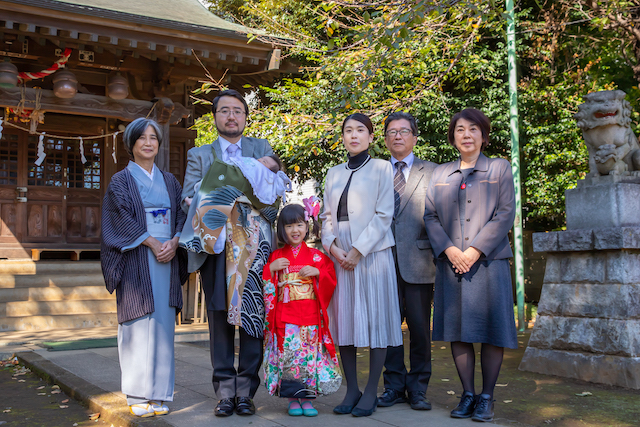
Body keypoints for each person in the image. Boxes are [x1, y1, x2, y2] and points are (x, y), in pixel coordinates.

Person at [181, 89, 274, 417]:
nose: (231, 116)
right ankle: (224, 391)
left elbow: (272, 191)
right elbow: (186, 195)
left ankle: (246, 390)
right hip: (215, 244)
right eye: (224, 111)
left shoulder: (261, 149)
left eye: (237, 110)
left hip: (253, 246)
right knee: (219, 317)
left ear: (245, 117)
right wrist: (201, 200)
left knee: (251, 316)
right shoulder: (199, 154)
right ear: (216, 117)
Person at [423, 108, 517, 422]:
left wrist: (474, 250)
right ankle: (467, 394)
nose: (466, 134)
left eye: (473, 129)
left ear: (483, 135)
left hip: (489, 263)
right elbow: (430, 216)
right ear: (452, 137)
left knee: (492, 332)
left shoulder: (500, 168)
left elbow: (505, 214)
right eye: (460, 129)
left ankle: (487, 397)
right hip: (451, 266)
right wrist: (450, 250)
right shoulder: (439, 174)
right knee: (459, 332)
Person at [101, 117, 187, 418]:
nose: (148, 142)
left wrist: (175, 241)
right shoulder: (120, 181)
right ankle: (137, 393)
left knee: (162, 325)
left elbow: (181, 215)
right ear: (131, 144)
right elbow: (119, 218)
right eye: (142, 138)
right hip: (137, 257)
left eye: (154, 138)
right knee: (137, 323)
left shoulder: (170, 181)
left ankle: (160, 393)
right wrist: (151, 242)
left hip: (167, 256)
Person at [321, 113, 403, 417]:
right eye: (347, 131)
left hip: (372, 251)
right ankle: (352, 388)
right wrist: (331, 246)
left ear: (370, 137)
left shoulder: (382, 168)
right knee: (344, 320)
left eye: (360, 130)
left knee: (376, 318)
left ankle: (371, 391)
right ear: (342, 137)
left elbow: (384, 214)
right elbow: (325, 217)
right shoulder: (333, 173)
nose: (353, 135)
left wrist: (358, 250)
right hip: (339, 252)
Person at [378, 112, 437, 410]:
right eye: (391, 131)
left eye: (403, 131)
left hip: (420, 261)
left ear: (414, 137)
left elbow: (442, 216)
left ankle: (418, 388)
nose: (397, 136)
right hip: (383, 261)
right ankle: (393, 385)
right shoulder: (375, 172)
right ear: (385, 138)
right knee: (388, 327)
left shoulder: (434, 171)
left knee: (419, 328)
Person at [262, 202, 342, 417]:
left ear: (307, 226)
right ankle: (291, 399)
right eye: (289, 226)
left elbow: (330, 280)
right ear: (282, 230)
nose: (294, 230)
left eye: (299, 225)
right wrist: (270, 270)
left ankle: (307, 399)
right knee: (289, 356)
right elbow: (268, 286)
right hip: (286, 317)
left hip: (310, 316)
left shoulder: (318, 258)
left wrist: (318, 273)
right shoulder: (277, 256)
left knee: (308, 356)